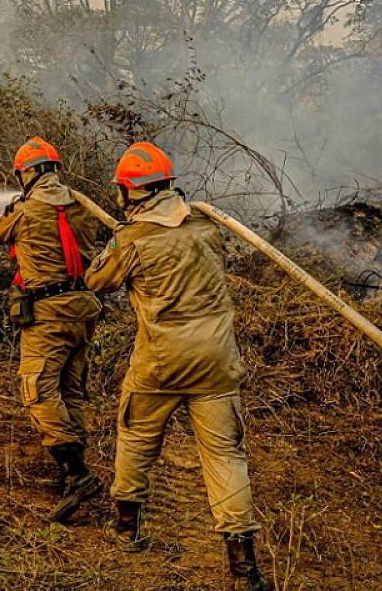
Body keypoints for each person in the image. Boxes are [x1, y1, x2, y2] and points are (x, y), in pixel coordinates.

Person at [85, 142, 272, 591]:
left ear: (130, 192)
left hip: (161, 362)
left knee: (136, 435)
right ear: (169, 183)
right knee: (226, 456)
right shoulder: (209, 227)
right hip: (217, 361)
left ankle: (126, 527)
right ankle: (244, 568)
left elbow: (96, 281)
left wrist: (117, 241)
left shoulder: (132, 239)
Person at [0, 137, 104, 523]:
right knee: (71, 390)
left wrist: (12, 208)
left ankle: (77, 473)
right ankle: (73, 471)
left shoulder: (24, 209)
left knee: (38, 388)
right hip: (83, 308)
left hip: (49, 313)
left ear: (28, 173)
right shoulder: (82, 204)